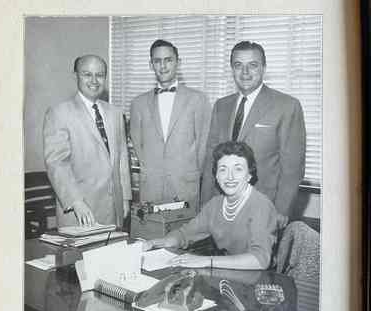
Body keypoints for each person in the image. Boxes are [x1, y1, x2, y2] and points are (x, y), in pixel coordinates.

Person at [201, 41, 306, 218]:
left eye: (253, 65)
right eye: (238, 65)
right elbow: (210, 163)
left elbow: (292, 172)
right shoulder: (221, 106)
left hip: (262, 212)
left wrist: (278, 217)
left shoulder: (287, 106)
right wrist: (205, 209)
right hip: (221, 210)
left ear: (264, 68)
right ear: (232, 69)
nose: (245, 72)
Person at [145, 141, 278, 270]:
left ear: (249, 175)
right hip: (227, 273)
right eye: (223, 169)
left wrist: (206, 261)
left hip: (257, 278)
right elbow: (184, 234)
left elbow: (260, 259)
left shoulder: (261, 205)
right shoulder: (215, 204)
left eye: (238, 169)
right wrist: (155, 243)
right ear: (217, 176)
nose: (230, 177)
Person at [43, 55, 131, 227]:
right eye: (87, 74)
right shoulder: (59, 113)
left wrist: (126, 198)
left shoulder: (115, 113)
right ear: (76, 76)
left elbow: (122, 158)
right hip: (80, 213)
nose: (94, 80)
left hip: (114, 211)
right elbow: (57, 163)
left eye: (100, 75)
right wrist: (76, 201)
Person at [130, 39, 211, 213]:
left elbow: (203, 145)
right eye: (157, 61)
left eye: (168, 60)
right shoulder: (138, 103)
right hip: (151, 187)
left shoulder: (198, 99)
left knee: (187, 231)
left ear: (178, 62)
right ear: (151, 65)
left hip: (185, 187)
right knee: (151, 230)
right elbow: (137, 144)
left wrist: (191, 173)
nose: (163, 66)